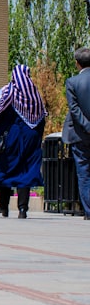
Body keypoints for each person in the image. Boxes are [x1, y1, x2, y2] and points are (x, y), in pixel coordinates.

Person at [0, 64, 46, 219]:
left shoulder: (8, 93)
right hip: (31, 138)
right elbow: (41, 120)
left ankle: (4, 207)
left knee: (6, 169)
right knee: (25, 171)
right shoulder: (34, 95)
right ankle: (22, 209)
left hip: (11, 138)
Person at [63, 47, 90, 220]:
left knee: (84, 174)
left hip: (80, 135)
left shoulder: (72, 82)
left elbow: (74, 109)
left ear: (77, 63)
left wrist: (87, 126)